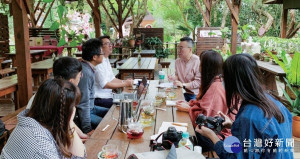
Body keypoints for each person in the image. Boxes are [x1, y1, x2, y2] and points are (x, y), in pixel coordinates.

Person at [196, 54, 293, 158]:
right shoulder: (275, 103)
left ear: (231, 81)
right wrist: (234, 125)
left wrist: (212, 137)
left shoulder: (248, 117)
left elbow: (235, 157)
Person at [1, 79, 86, 158]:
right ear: (61, 113)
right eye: (73, 107)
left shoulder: (33, 122)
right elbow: (79, 157)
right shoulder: (40, 145)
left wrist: (69, 124)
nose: (74, 110)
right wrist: (70, 123)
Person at [176, 50, 235, 152]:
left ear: (206, 68)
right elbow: (204, 104)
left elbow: (206, 120)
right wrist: (191, 104)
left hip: (219, 138)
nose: (199, 67)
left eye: (201, 64)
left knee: (182, 135)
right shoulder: (218, 80)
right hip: (225, 133)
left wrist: (189, 109)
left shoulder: (215, 87)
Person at [26, 57, 89, 139]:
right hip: (41, 138)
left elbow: (67, 123)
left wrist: (82, 135)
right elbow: (61, 129)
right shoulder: (61, 97)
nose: (80, 78)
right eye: (80, 76)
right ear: (71, 81)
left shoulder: (50, 90)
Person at [77, 38, 109, 134]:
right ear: (95, 57)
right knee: (109, 125)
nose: (103, 55)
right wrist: (87, 129)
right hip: (85, 113)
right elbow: (83, 104)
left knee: (113, 113)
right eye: (102, 53)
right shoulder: (85, 73)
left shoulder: (88, 68)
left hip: (92, 108)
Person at [94, 36, 133, 108]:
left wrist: (124, 82)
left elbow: (112, 79)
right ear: (100, 48)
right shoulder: (98, 63)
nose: (110, 45)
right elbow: (105, 85)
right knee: (129, 103)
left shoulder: (105, 59)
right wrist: (125, 84)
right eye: (107, 43)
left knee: (133, 97)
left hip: (109, 96)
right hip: (100, 99)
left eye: (110, 43)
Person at [168, 37, 200, 102]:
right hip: (182, 92)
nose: (178, 50)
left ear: (190, 49)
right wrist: (174, 78)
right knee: (168, 101)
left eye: (181, 48)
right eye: (178, 48)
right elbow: (177, 75)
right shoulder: (177, 61)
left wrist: (183, 85)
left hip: (194, 95)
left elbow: (198, 82)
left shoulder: (197, 61)